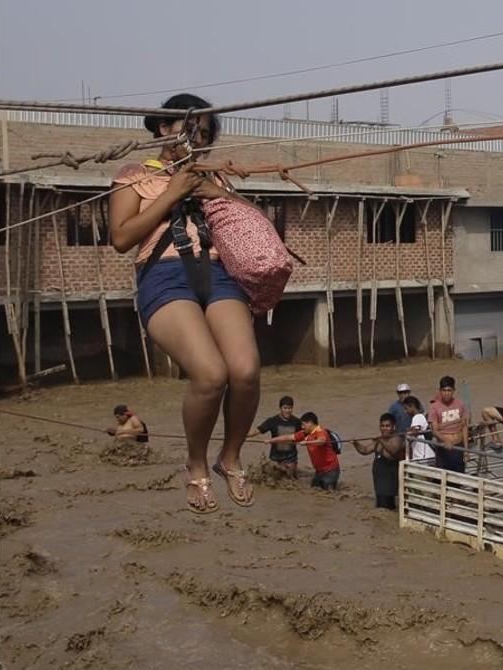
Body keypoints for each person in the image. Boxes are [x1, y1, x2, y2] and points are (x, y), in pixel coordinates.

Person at [108, 93, 259, 514]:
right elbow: (121, 238)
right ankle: (196, 465)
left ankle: (230, 457)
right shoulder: (135, 173)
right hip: (164, 275)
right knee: (211, 374)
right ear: (164, 128)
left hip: (219, 273)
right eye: (192, 130)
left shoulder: (216, 178)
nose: (200, 140)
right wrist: (173, 192)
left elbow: (252, 223)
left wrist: (215, 191)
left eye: (205, 134)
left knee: (245, 371)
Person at [271, 412, 339, 491]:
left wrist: (307, 442)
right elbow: (289, 437)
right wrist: (272, 440)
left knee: (329, 493)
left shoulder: (321, 431)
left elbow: (321, 441)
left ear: (310, 423)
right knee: (315, 490)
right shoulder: (306, 433)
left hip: (331, 470)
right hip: (319, 471)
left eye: (303, 424)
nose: (302, 427)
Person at [352, 413, 404, 510]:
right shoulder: (379, 440)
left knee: (387, 508)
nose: (384, 428)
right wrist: (356, 444)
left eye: (387, 426)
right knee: (380, 506)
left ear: (393, 427)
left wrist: (381, 440)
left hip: (390, 484)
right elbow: (365, 450)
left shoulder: (397, 439)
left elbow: (393, 450)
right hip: (379, 483)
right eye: (382, 426)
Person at [249, 396, 301, 478]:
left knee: (290, 477)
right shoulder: (272, 421)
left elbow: (307, 433)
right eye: (285, 408)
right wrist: (240, 436)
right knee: (272, 475)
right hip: (275, 458)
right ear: (280, 408)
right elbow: (257, 431)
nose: (287, 411)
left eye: (290, 408)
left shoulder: (297, 422)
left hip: (291, 458)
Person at [428, 376, 469, 473]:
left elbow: (464, 427)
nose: (446, 393)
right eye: (444, 390)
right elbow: (435, 430)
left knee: (459, 476)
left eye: (449, 390)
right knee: (445, 479)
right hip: (444, 449)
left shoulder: (460, 404)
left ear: (454, 390)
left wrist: (466, 449)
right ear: (440, 391)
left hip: (458, 447)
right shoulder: (434, 407)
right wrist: (445, 440)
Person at [403, 396, 433, 461]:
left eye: (406, 408)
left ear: (412, 406)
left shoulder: (418, 417)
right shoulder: (420, 417)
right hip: (423, 457)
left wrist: (407, 434)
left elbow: (413, 433)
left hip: (424, 457)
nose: (405, 411)